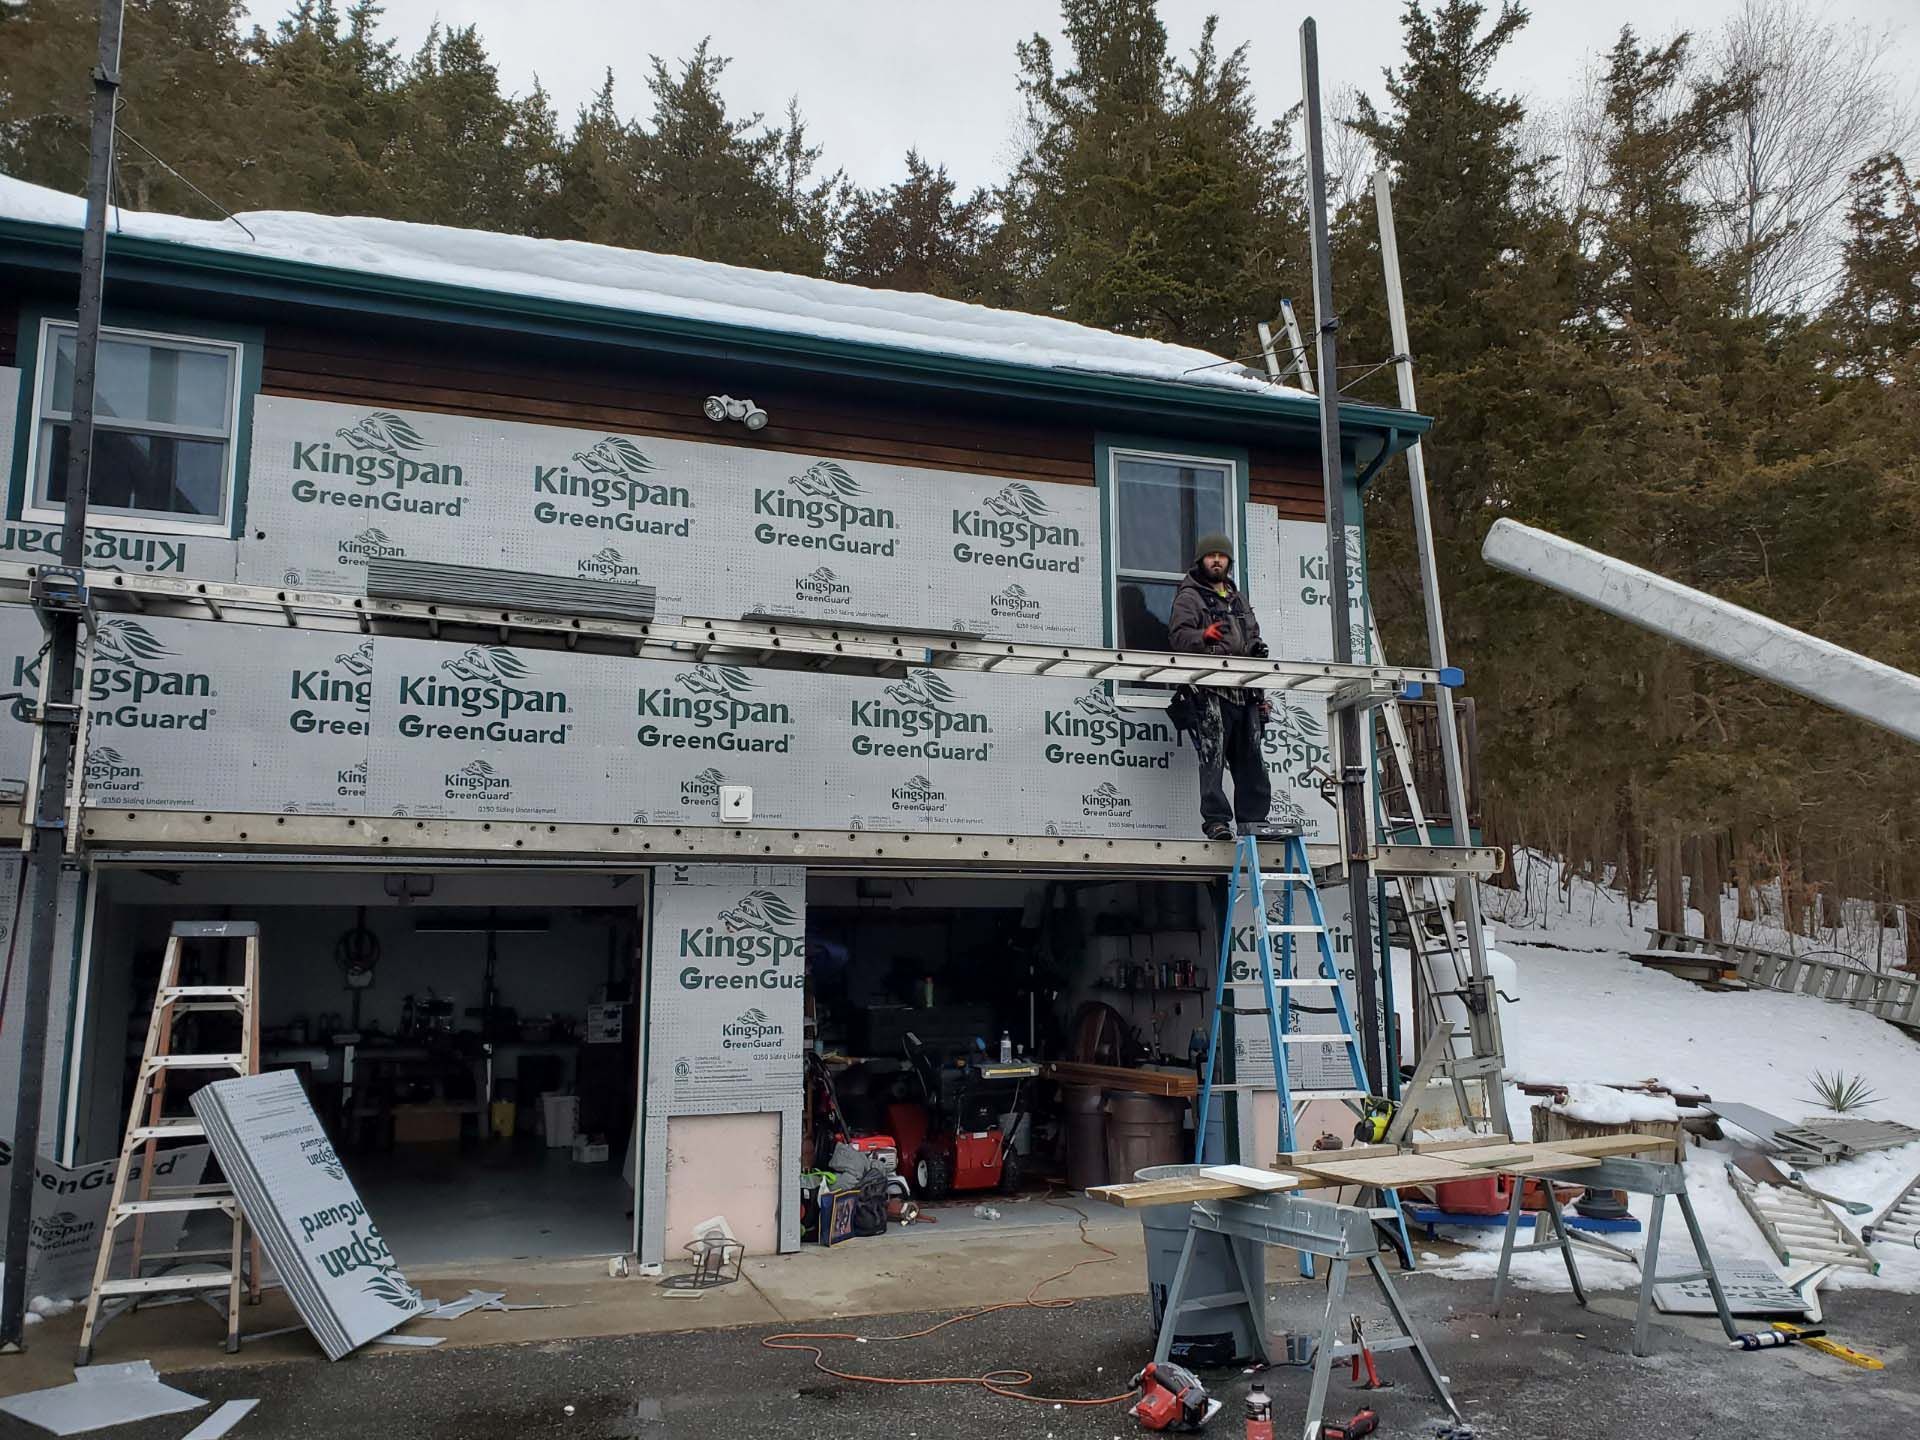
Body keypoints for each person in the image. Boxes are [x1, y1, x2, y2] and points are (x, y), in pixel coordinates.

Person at [1168, 533, 1281, 841]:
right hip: (1209, 691)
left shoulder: (1237, 597)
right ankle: (1216, 822)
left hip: (1244, 691)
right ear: (1200, 560)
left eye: (1222, 555)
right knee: (1212, 759)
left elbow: (1253, 637)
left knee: (1252, 762)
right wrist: (1203, 636)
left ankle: (1254, 822)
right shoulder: (1189, 596)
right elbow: (1177, 638)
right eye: (1210, 555)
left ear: (1229, 561)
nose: (1216, 560)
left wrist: (1257, 653)